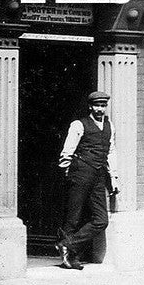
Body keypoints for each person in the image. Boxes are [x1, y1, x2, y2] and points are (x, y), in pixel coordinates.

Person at [55, 90, 119, 270]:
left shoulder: (109, 126)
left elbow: (111, 151)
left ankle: (68, 244)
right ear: (90, 106)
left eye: (103, 106)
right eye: (97, 105)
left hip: (99, 175)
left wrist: (114, 177)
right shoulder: (79, 125)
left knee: (101, 220)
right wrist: (67, 172)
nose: (100, 109)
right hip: (80, 172)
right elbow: (67, 151)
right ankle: (68, 257)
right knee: (73, 217)